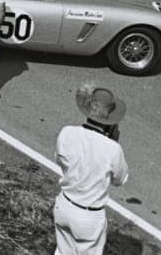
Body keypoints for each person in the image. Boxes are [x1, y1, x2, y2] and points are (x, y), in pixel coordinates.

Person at [52, 84, 129, 255]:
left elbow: (60, 159)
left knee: (63, 251)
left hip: (63, 205)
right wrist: (114, 142)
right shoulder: (112, 149)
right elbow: (120, 179)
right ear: (110, 122)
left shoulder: (67, 132)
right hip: (88, 216)